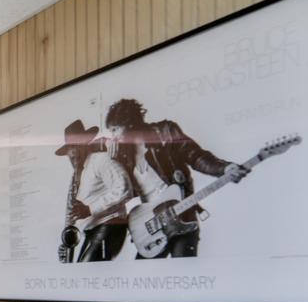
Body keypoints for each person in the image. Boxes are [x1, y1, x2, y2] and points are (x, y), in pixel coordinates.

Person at [102, 98, 249, 259]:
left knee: (184, 272)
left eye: (115, 129)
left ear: (128, 123)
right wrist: (112, 163)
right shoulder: (124, 155)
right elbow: (121, 195)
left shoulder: (165, 132)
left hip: (182, 214)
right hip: (153, 224)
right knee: (144, 276)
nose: (113, 136)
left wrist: (224, 168)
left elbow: (195, 156)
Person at [55, 119, 131, 262]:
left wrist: (91, 209)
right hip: (91, 231)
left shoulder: (101, 160)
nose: (72, 153)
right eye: (69, 149)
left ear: (85, 144)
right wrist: (66, 244)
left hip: (111, 225)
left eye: (76, 146)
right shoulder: (75, 178)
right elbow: (71, 216)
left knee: (85, 269)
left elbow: (124, 188)